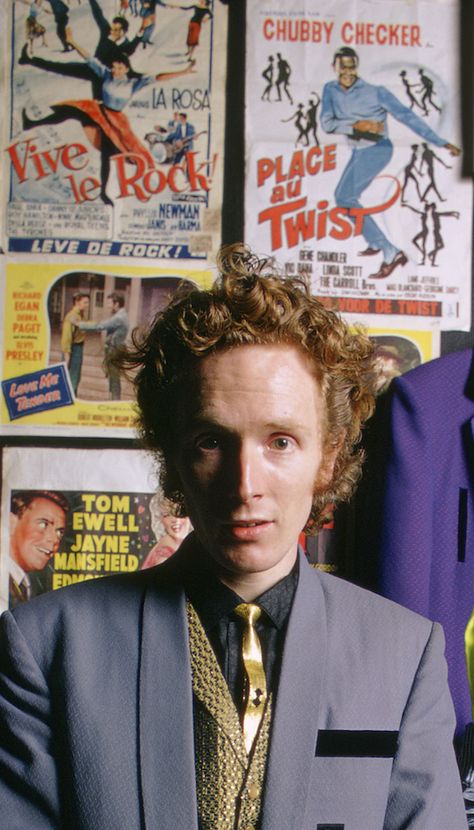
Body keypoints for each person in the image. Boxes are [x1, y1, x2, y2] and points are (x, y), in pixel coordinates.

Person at [0, 244, 466, 828]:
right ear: (172, 454)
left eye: (280, 441)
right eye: (211, 441)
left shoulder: (405, 652)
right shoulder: (43, 645)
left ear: (329, 457)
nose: (245, 485)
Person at [320, 46, 461, 280]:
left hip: (377, 150)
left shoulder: (376, 91)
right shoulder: (330, 90)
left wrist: (441, 142)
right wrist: (357, 126)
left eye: (351, 66)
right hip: (358, 150)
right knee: (346, 199)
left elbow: (408, 117)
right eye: (342, 66)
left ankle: (390, 251)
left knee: (344, 198)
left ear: (357, 66)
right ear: (334, 66)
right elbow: (326, 123)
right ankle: (375, 241)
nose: (347, 71)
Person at [21, 30, 195, 205]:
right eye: (113, 66)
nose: (115, 70)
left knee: (106, 154)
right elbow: (89, 58)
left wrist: (184, 72)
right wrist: (73, 42)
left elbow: (160, 77)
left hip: (115, 121)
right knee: (70, 110)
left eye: (119, 67)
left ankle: (104, 193)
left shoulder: (134, 83)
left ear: (126, 68)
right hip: (98, 111)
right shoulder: (105, 74)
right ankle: (31, 123)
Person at [8, 491, 69, 609]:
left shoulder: (24, 585)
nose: (54, 539)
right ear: (11, 522)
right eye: (43, 524)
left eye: (59, 532)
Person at [76, 292, 129, 399]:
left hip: (115, 350)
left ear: (117, 304)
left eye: (110, 303)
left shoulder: (119, 318)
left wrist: (80, 324)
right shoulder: (120, 315)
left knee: (114, 378)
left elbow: (100, 326)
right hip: (115, 349)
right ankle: (113, 399)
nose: (108, 306)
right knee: (113, 377)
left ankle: (115, 401)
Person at [141, 494, 192, 567]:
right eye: (167, 515)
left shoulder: (183, 545)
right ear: (160, 520)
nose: (174, 520)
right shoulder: (164, 554)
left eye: (180, 513)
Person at [61, 291, 90, 395]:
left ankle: (73, 396)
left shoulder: (81, 314)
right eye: (85, 302)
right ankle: (71, 398)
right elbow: (66, 337)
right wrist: (67, 354)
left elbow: (87, 325)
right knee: (71, 377)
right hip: (72, 348)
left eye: (88, 303)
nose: (87, 305)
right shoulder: (72, 316)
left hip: (78, 348)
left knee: (76, 376)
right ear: (77, 302)